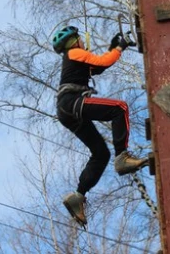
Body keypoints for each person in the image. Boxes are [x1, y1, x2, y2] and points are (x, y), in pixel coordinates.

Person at [52, 25, 148, 226]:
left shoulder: (75, 59)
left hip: (67, 110)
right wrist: (120, 48)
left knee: (101, 153)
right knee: (119, 108)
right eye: (79, 38)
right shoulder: (74, 52)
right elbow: (103, 60)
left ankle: (79, 195)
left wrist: (115, 47)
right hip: (71, 102)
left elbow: (99, 67)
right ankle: (122, 156)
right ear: (75, 41)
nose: (82, 42)